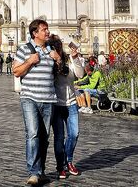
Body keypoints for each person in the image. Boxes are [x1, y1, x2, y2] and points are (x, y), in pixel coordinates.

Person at [12, 19, 61, 186]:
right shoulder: (24, 49)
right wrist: (30, 61)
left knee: (44, 137)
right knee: (33, 134)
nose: (47, 32)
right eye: (44, 30)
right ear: (35, 33)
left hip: (48, 98)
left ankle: (41, 171)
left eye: (47, 29)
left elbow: (59, 73)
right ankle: (33, 172)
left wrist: (58, 59)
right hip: (30, 98)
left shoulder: (51, 50)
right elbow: (16, 71)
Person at [49, 36, 84, 179]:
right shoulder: (48, 62)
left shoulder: (69, 59)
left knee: (74, 134)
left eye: (58, 46)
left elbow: (80, 75)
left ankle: (68, 160)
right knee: (59, 137)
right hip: (56, 104)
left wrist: (75, 58)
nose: (57, 49)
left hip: (71, 104)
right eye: (54, 47)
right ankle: (61, 167)